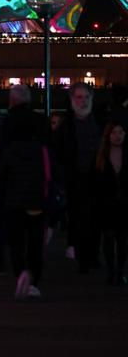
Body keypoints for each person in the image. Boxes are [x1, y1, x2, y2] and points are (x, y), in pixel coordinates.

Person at [0, 95, 53, 300]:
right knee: (35, 243)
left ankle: (20, 272)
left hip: (14, 200)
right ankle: (33, 278)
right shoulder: (43, 151)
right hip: (36, 201)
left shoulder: (10, 151)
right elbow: (49, 176)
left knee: (16, 241)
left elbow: (2, 176)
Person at [0, 85, 39, 276]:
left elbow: (1, 154)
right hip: (35, 179)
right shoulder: (39, 121)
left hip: (12, 179)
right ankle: (31, 264)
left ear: (12, 100)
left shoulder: (8, 122)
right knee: (33, 224)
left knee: (3, 222)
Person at [53, 83, 103, 272]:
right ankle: (85, 257)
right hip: (75, 178)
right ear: (72, 100)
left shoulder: (98, 122)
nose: (83, 101)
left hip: (97, 178)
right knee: (79, 218)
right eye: (79, 98)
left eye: (86, 97)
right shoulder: (66, 127)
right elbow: (57, 154)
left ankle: (92, 255)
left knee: (95, 218)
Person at [92, 120, 127, 286]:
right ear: (108, 135)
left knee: (122, 239)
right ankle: (111, 271)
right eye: (114, 132)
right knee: (108, 237)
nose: (117, 136)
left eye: (120, 132)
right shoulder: (101, 158)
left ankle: (119, 271)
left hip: (123, 203)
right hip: (106, 204)